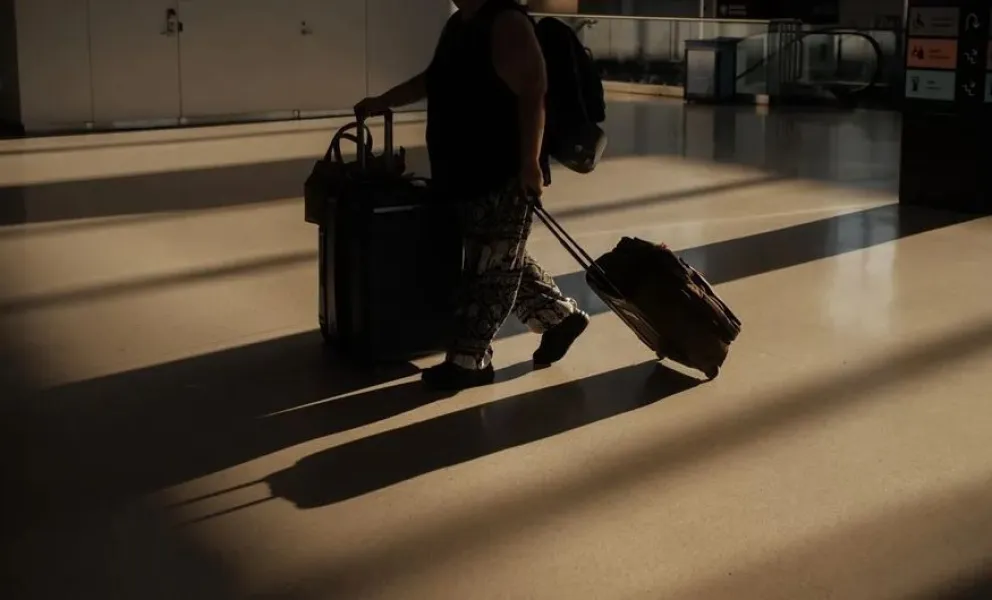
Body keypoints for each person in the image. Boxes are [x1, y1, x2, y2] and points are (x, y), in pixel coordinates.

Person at [354, 0, 589, 391]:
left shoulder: (507, 22)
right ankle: (558, 317)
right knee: (494, 256)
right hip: (462, 172)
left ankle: (469, 361)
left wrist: (530, 162)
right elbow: (432, 79)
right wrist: (384, 101)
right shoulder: (459, 25)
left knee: (490, 269)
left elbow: (534, 91)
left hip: (503, 173)